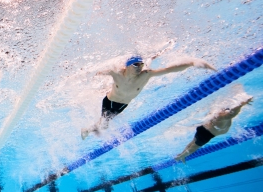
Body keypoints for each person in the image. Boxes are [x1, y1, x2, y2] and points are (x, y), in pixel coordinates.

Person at [81, 55, 216, 139]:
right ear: (127, 66)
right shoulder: (117, 74)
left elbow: (169, 70)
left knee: (104, 125)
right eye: (136, 65)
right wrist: (84, 75)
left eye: (141, 64)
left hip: (123, 105)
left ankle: (91, 129)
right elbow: (95, 72)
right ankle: (86, 129)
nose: (139, 67)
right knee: (104, 125)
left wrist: (191, 63)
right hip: (110, 103)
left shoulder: (146, 74)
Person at [175, 87, 253, 163]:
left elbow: (230, 114)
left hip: (205, 127)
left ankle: (182, 155)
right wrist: (241, 104)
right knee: (194, 146)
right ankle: (181, 156)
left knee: (193, 143)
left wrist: (241, 104)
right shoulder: (221, 115)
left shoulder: (220, 112)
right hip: (207, 132)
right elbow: (231, 114)